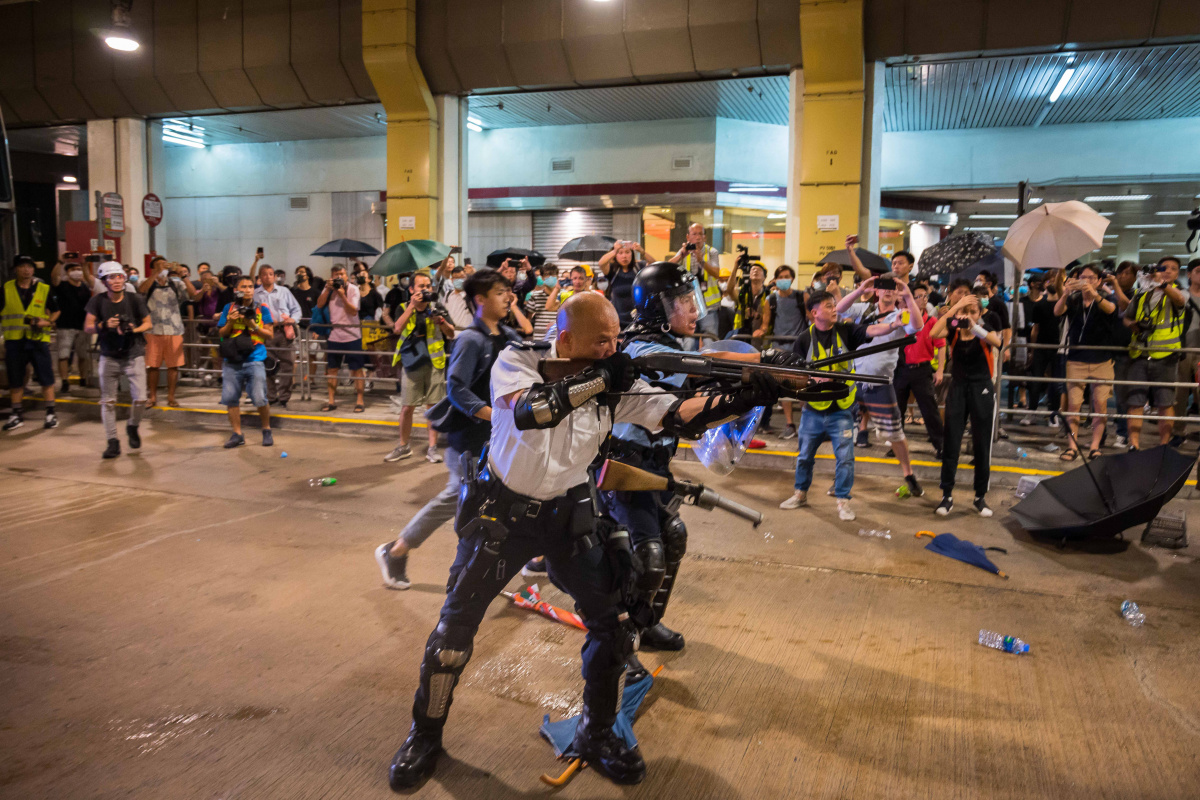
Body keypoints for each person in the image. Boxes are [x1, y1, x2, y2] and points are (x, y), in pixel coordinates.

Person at [385, 291, 789, 790]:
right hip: (503, 518)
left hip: (568, 516)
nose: (612, 349)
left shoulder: (617, 380)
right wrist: (601, 379)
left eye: (616, 339)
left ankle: (596, 733)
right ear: (565, 339)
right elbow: (531, 411)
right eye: (601, 340)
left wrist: (748, 394)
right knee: (452, 638)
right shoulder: (520, 360)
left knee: (615, 628)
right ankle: (424, 735)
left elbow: (679, 413)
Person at [603, 261, 803, 654]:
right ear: (658, 307)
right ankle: (618, 643)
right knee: (648, 555)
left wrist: (768, 367)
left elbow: (704, 364)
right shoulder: (642, 350)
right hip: (625, 470)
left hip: (653, 466)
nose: (694, 311)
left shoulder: (664, 348)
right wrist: (760, 366)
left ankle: (648, 624)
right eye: (683, 302)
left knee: (671, 538)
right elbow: (699, 370)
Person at [374, 269, 522, 589]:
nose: (508, 297)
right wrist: (493, 416)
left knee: (515, 496)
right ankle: (396, 551)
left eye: (508, 291)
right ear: (480, 300)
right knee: (457, 496)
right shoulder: (471, 340)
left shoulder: (508, 338)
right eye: (499, 292)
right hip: (469, 440)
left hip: (499, 439)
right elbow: (457, 389)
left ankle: (533, 557)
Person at [780, 291, 899, 519]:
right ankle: (800, 494)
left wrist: (893, 325)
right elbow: (795, 376)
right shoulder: (804, 339)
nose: (835, 308)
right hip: (812, 411)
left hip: (842, 411)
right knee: (804, 456)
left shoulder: (846, 330)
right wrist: (814, 379)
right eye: (828, 306)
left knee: (845, 458)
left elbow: (872, 330)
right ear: (814, 313)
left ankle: (843, 501)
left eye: (834, 305)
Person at [837, 275, 926, 496]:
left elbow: (917, 326)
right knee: (844, 431)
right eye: (883, 287)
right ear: (876, 291)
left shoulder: (900, 315)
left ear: (897, 294)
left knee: (894, 433)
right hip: (855, 380)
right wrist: (860, 290)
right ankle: (841, 479)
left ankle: (908, 473)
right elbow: (839, 309)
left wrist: (907, 294)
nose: (888, 291)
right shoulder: (864, 310)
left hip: (880, 383)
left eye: (893, 288)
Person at [929, 290, 1003, 517]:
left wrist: (975, 325)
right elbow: (933, 333)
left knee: (981, 444)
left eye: (973, 311)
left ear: (980, 313)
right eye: (965, 310)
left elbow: (997, 342)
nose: (967, 314)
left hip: (981, 388)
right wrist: (955, 307)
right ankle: (946, 495)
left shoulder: (984, 330)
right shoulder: (952, 329)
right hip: (958, 388)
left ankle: (980, 496)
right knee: (951, 441)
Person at [384, 269, 456, 463]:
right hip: (411, 362)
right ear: (412, 289)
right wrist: (412, 308)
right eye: (421, 286)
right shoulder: (402, 307)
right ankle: (403, 446)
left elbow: (451, 333)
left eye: (428, 286)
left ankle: (432, 448)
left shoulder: (437, 307)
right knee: (407, 407)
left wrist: (440, 321)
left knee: (433, 407)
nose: (425, 289)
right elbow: (397, 328)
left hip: (435, 362)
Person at [83, 263, 152, 457]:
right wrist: (103, 325)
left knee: (140, 398)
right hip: (109, 355)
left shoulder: (135, 299)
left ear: (124, 279)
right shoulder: (98, 301)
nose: (116, 281)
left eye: (119, 277)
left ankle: (133, 426)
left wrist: (133, 329)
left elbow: (148, 323)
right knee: (108, 401)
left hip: (134, 353)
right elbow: (88, 327)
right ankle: (112, 441)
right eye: (111, 277)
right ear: (104, 281)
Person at [1055, 264, 1117, 460]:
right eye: (1083, 277)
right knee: (1073, 405)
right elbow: (1057, 311)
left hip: (1102, 361)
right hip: (1076, 360)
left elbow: (1111, 310)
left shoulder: (1106, 298)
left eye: (1091, 278)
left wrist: (1095, 295)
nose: (1086, 281)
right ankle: (1072, 446)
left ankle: (1095, 446)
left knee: (1100, 405)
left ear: (1099, 281)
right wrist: (1065, 293)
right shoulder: (1074, 300)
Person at [1123, 256, 1186, 450]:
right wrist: (1132, 325)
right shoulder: (1142, 292)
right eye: (1162, 267)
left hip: (1166, 356)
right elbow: (1126, 318)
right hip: (1139, 353)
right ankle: (1133, 445)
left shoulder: (1178, 292)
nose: (1167, 270)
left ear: (1177, 274)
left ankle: (1163, 446)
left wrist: (1162, 283)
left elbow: (1180, 300)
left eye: (1172, 269)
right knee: (1135, 402)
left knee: (1165, 403)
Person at [215, 276, 275, 448]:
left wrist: (253, 325)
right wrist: (231, 322)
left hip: (255, 358)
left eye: (250, 286)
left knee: (259, 397)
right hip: (232, 360)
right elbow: (222, 333)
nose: (248, 290)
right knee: (230, 398)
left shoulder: (261, 308)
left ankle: (266, 429)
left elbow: (269, 334)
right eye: (244, 286)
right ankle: (237, 434)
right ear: (236, 290)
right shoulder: (229, 308)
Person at [2, 255, 60, 432]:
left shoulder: (43, 288)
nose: (26, 270)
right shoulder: (5, 289)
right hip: (15, 341)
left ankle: (50, 413)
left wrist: (47, 322)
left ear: (34, 269)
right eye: (22, 266)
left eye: (29, 266)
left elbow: (56, 311)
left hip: (38, 341)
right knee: (15, 379)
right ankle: (16, 414)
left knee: (46, 377)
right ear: (15, 269)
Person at [893, 282, 946, 458]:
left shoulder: (932, 321)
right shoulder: (900, 319)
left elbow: (941, 345)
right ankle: (897, 447)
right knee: (897, 411)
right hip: (900, 370)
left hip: (922, 371)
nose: (923, 300)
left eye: (925, 296)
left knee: (929, 410)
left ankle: (941, 445)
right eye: (918, 296)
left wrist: (939, 371)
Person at [138, 257, 198, 408]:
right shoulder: (147, 282)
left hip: (174, 329)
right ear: (152, 267)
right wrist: (155, 273)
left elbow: (193, 295)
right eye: (159, 265)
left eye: (164, 264)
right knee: (153, 366)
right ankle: (152, 397)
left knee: (173, 366)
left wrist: (183, 275)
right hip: (153, 329)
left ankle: (171, 397)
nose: (163, 267)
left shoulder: (175, 283)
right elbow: (142, 291)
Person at [318, 264, 367, 412]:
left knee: (357, 369)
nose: (339, 277)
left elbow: (353, 311)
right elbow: (319, 304)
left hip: (352, 336)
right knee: (332, 369)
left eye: (342, 274)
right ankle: (331, 401)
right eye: (336, 275)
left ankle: (360, 401)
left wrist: (342, 295)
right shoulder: (329, 289)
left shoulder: (353, 289)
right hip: (335, 335)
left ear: (347, 275)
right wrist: (327, 289)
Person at [253, 264, 301, 408]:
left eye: (271, 274)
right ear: (260, 277)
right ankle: (271, 396)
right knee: (268, 366)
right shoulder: (255, 294)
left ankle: (284, 397)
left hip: (283, 332)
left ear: (274, 276)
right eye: (265, 274)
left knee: (288, 365)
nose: (268, 276)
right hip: (266, 333)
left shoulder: (284, 291)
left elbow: (296, 309)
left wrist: (293, 319)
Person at [668, 223, 722, 346]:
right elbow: (668, 267)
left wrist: (701, 261)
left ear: (705, 237)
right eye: (694, 234)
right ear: (688, 237)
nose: (697, 237)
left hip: (709, 306)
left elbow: (716, 273)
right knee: (688, 342)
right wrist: (681, 255)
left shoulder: (712, 252)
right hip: (689, 306)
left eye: (700, 234)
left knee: (710, 342)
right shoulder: (684, 252)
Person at [1024, 270, 1064, 427]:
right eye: (1049, 280)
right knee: (1035, 381)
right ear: (1045, 283)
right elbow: (1036, 328)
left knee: (1056, 382)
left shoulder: (1065, 303)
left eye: (1056, 280)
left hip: (1059, 348)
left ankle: (1053, 414)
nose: (1052, 283)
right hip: (1041, 347)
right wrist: (1032, 350)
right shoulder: (1040, 305)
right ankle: (1032, 411)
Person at [769, 265, 805, 436]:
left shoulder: (801, 296)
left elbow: (811, 317)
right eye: (780, 276)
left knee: (803, 385)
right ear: (775, 279)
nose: (784, 279)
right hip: (779, 347)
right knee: (784, 386)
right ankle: (790, 424)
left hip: (799, 347)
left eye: (787, 276)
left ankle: (806, 422)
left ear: (792, 278)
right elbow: (765, 322)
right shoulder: (771, 299)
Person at [51, 255, 94, 393]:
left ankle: (83, 378)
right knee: (63, 355)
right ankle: (64, 381)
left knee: (83, 355)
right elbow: (54, 277)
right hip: (65, 326)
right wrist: (61, 261)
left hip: (82, 326)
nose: (77, 271)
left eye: (79, 269)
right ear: (68, 272)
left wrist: (85, 265)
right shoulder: (62, 285)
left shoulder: (85, 287)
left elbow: (91, 281)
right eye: (74, 269)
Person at [1170, 260, 1200, 446]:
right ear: (1189, 274)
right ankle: (1178, 432)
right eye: (1198, 271)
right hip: (1182, 351)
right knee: (1179, 395)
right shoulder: (1181, 296)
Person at [598, 240, 646, 327]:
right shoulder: (612, 270)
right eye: (620, 253)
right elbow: (601, 263)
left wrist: (642, 251)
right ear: (616, 256)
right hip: (617, 320)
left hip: (638, 320)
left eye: (627, 252)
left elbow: (654, 263)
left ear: (632, 254)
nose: (624, 256)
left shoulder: (638, 267)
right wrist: (615, 250)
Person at [726, 261, 771, 348]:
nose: (755, 271)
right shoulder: (742, 293)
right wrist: (735, 267)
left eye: (759, 269)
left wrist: (758, 315)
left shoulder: (769, 295)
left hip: (760, 339)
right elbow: (729, 289)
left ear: (764, 277)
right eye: (753, 269)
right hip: (741, 336)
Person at [846, 236, 916, 286]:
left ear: (910, 266)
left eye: (900, 263)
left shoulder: (915, 287)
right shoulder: (884, 283)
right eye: (894, 263)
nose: (896, 266)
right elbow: (861, 271)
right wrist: (851, 251)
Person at [524, 263, 564, 341]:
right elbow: (528, 318)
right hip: (539, 338)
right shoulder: (535, 296)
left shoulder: (563, 296)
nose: (550, 277)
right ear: (542, 278)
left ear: (557, 277)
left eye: (553, 274)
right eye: (547, 275)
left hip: (557, 340)